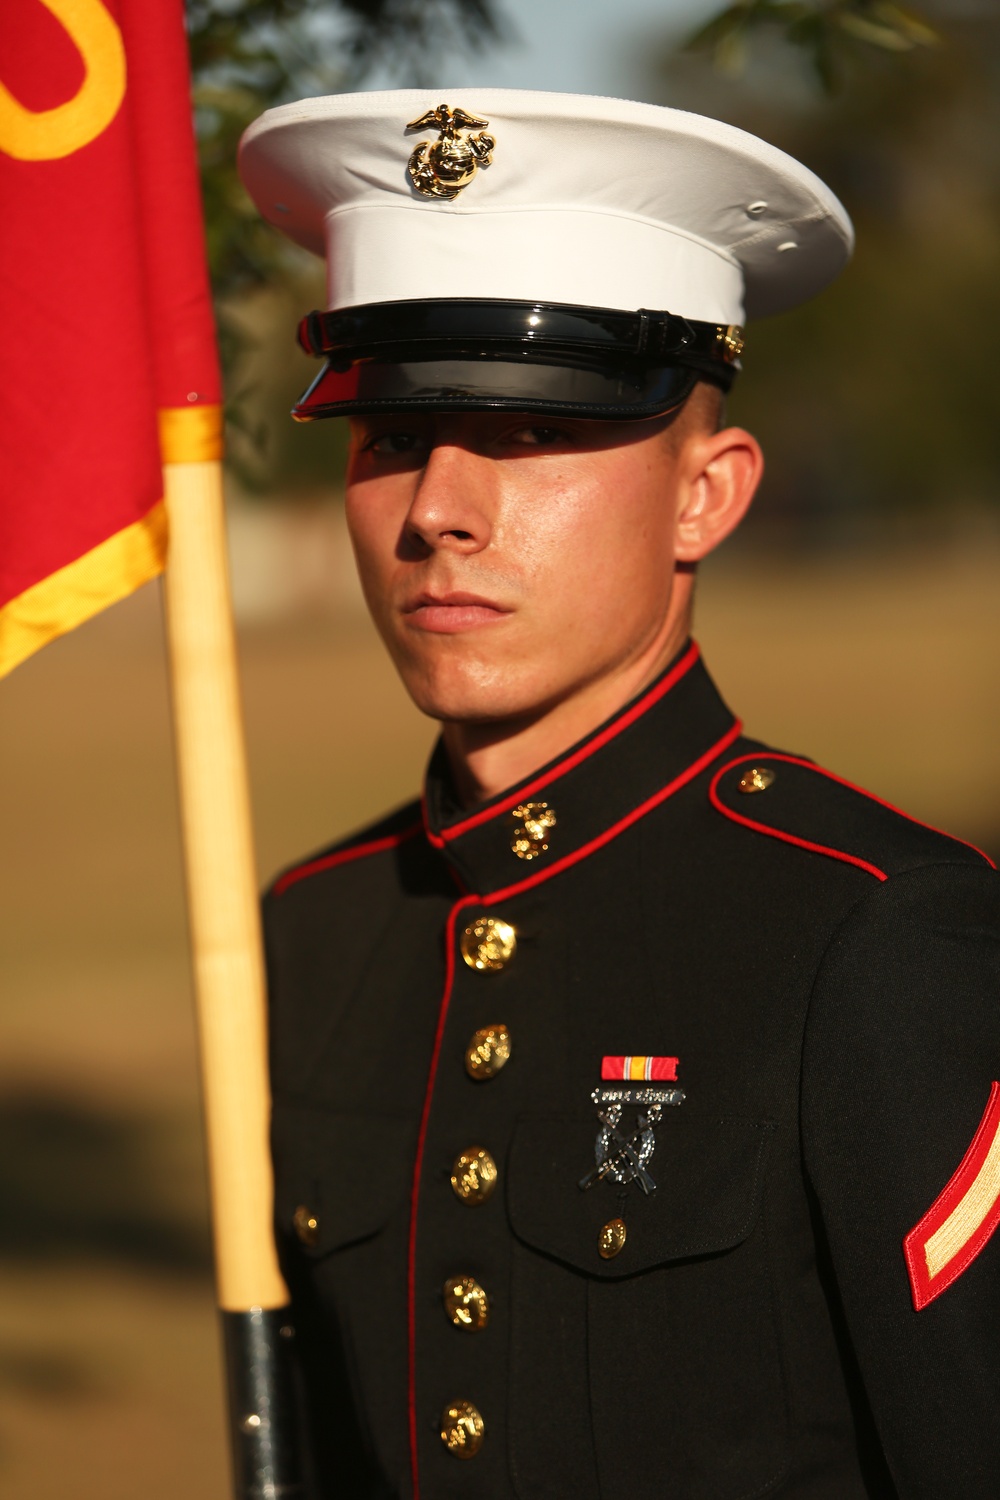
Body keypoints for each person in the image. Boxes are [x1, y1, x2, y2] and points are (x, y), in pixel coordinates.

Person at [239, 90, 1000, 1499]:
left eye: (527, 439)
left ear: (707, 495)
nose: (436, 511)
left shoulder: (874, 932)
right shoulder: (311, 929)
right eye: (393, 435)